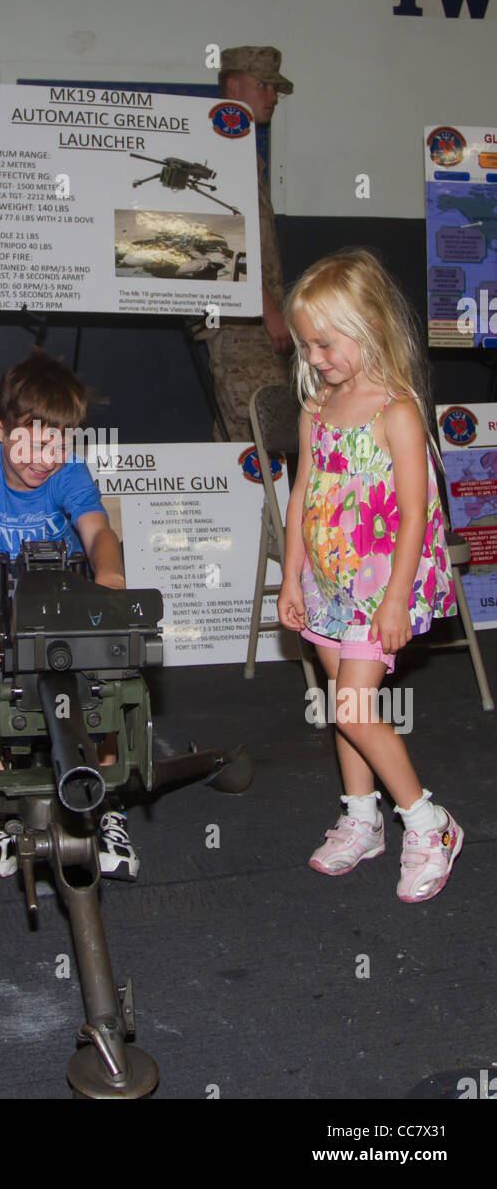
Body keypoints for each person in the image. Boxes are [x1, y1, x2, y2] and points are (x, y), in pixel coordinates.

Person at [277, 250, 461, 903]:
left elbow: (415, 514)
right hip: (327, 584)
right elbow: (301, 495)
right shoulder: (316, 408)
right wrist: (292, 579)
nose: (316, 355)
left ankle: (426, 821)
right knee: (345, 708)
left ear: (370, 327)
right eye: (307, 343)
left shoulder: (397, 411)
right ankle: (362, 818)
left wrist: (394, 601)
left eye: (326, 341)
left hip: (381, 587)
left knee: (355, 706)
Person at [0, 347, 139, 880]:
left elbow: (98, 530)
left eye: (56, 441)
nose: (43, 457)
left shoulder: (69, 472)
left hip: (62, 604)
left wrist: (112, 582)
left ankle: (106, 806)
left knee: (101, 692)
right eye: (29, 439)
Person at [202, 46, 294, 440]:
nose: (272, 96)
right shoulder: (217, 153)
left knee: (249, 431)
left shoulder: (242, 153)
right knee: (254, 428)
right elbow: (220, 243)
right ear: (233, 86)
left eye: (275, 88)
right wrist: (268, 307)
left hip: (253, 316)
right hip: (240, 319)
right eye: (264, 85)